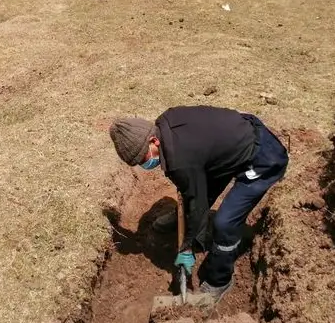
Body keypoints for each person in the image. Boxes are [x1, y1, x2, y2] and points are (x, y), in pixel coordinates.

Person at [108, 106, 289, 302]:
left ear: (154, 141)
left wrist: (187, 247)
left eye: (143, 158)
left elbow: (196, 199)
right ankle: (185, 220)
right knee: (194, 189)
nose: (144, 164)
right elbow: (193, 187)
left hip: (262, 158)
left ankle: (220, 280)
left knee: (225, 223)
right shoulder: (165, 124)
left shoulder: (180, 160)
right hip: (227, 146)